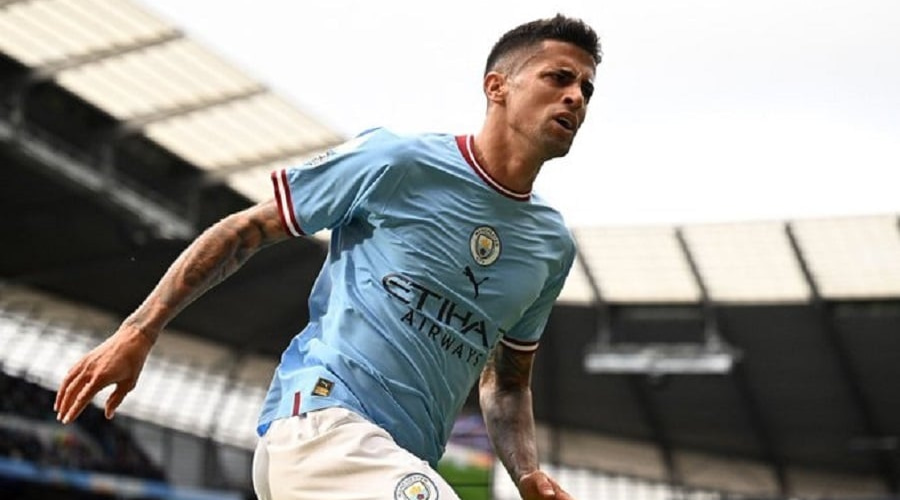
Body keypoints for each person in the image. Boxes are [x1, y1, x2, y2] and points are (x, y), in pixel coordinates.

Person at [54, 13, 600, 500]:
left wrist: (526, 472)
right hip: (321, 425)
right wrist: (139, 330)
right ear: (497, 86)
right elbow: (246, 229)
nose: (575, 97)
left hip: (394, 464)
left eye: (586, 89)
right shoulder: (397, 162)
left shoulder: (550, 247)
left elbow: (507, 383)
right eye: (558, 78)